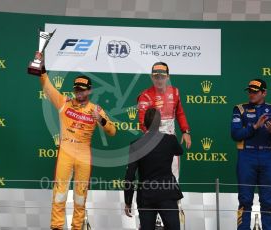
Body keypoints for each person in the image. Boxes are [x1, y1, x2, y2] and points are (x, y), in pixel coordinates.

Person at [35, 52, 116, 230]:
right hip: (66, 151)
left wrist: (100, 119)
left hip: (84, 154)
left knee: (80, 195)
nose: (79, 92)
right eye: (77, 89)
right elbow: (47, 87)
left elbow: (112, 131)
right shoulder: (64, 102)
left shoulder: (96, 109)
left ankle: (77, 227)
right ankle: (57, 226)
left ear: (89, 90)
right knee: (60, 193)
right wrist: (41, 67)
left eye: (82, 89)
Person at [231, 79, 271, 230]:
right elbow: (235, 134)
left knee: (267, 201)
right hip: (247, 156)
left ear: (264, 93)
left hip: (267, 157)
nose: (251, 94)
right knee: (245, 200)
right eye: (250, 91)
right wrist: (255, 126)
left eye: (255, 91)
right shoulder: (239, 109)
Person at [124, 108, 183, 230]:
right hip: (167, 193)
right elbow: (179, 151)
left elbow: (130, 175)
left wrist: (128, 201)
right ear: (160, 123)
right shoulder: (170, 140)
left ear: (144, 124)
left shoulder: (136, 144)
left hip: (146, 196)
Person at [137, 62, 191, 181]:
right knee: (153, 174)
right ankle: (151, 199)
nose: (159, 80)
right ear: (152, 77)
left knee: (173, 173)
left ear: (168, 77)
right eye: (156, 77)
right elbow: (142, 122)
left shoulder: (175, 92)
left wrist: (185, 131)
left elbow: (180, 113)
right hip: (152, 140)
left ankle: (174, 199)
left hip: (171, 138)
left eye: (162, 77)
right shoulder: (145, 96)